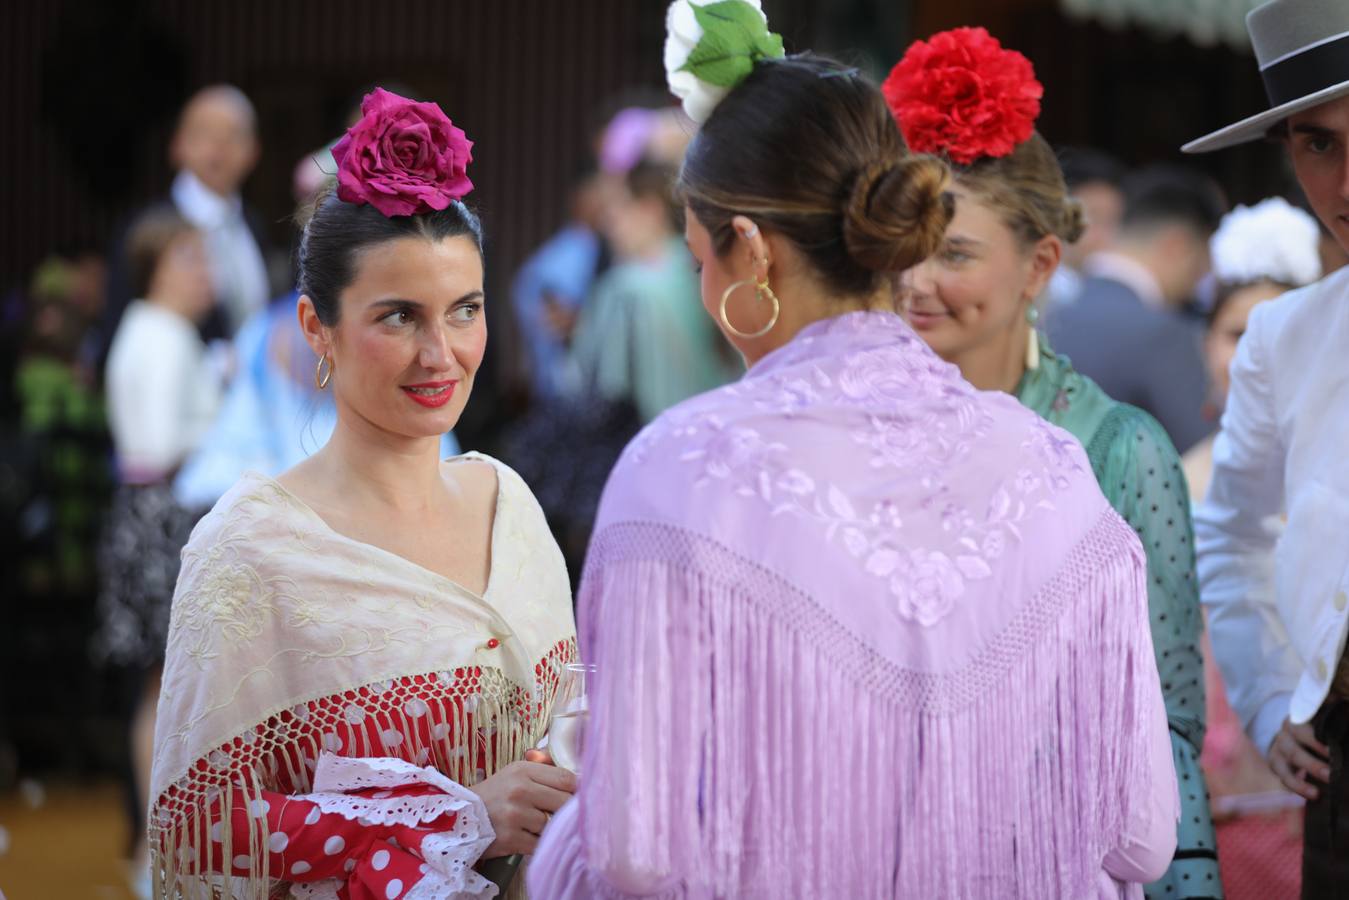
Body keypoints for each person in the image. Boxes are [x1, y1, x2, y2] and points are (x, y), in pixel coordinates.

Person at [529, 7, 1177, 897]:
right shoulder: (1054, 466)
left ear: (748, 250)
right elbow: (1140, 841)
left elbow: (635, 856)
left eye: (697, 261)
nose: (704, 283)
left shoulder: (679, 468)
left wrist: (561, 820)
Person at [148, 88, 576, 900]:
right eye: (397, 317)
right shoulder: (252, 548)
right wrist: (454, 814)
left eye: (464, 311)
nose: (439, 354)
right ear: (316, 327)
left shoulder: (509, 505)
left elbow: (566, 724)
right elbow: (199, 827)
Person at [889, 28, 1219, 898]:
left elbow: (1167, 728)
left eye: (954, 253)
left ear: (1038, 266)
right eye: (901, 247)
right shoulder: (858, 438)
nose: (917, 280)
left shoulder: (1117, 450)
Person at [1184, 2, 1349, 891]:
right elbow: (1232, 532)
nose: (1346, 183)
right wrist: (1261, 696)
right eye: (1316, 143)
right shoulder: (1284, 337)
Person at [98, 207, 222, 895]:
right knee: (164, 687)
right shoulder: (162, 334)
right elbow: (156, 447)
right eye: (191, 259)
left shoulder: (150, 330)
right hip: (162, 518)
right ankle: (156, 847)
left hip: (148, 515)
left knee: (163, 686)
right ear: (157, 266)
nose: (205, 274)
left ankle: (159, 845)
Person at [1045, 165, 1225, 454]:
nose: (1199, 278)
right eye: (1201, 262)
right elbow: (1200, 452)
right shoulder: (1163, 333)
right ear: (1178, 247)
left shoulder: (1050, 314)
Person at [102, 85, 275, 364]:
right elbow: (118, 337)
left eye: (233, 135)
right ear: (177, 145)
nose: (218, 147)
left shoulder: (254, 226)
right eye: (204, 133)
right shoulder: (144, 230)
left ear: (254, 151)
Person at [1047, 147, 1127, 306]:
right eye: (1095, 218)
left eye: (1114, 221)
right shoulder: (1040, 292)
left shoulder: (1120, 291)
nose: (1107, 235)